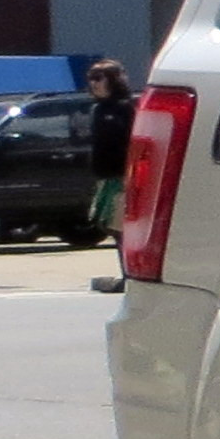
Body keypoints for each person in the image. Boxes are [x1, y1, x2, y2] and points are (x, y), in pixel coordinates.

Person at [84, 60, 135, 296]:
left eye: (99, 78)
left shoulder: (127, 107)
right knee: (109, 226)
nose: (94, 84)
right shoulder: (98, 109)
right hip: (105, 178)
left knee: (123, 228)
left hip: (124, 178)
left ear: (113, 80)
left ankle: (131, 276)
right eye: (91, 78)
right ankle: (126, 273)